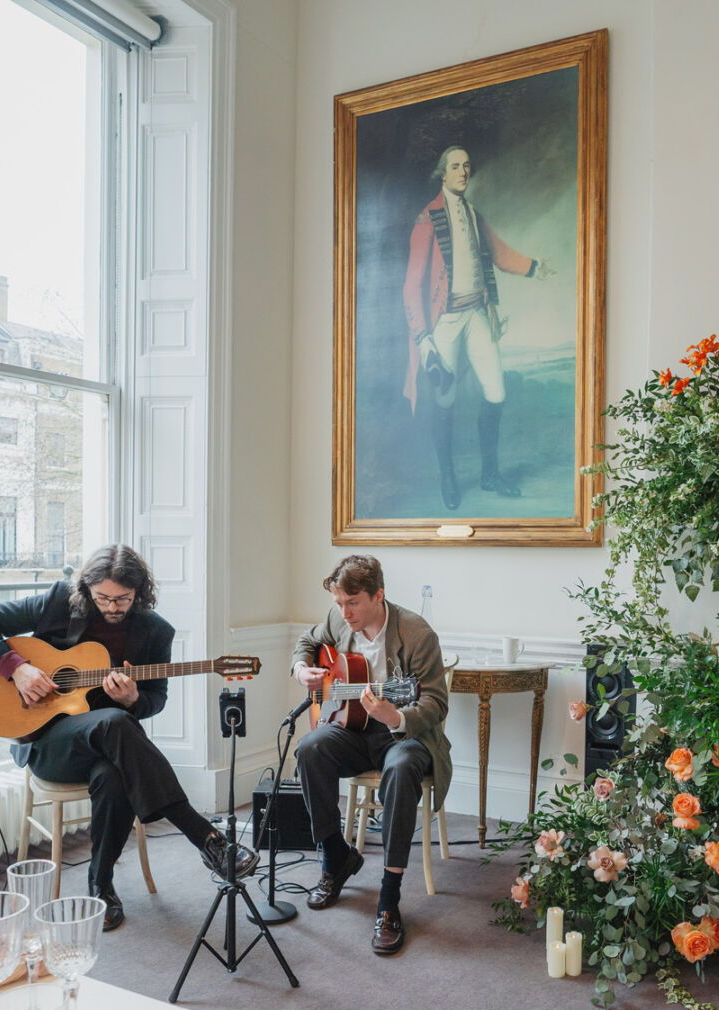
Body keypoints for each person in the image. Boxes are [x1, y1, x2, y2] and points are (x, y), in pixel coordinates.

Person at [0, 544, 255, 932]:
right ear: (87, 590)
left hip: (105, 746)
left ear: (140, 593)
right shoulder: (57, 602)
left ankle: (100, 885)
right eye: (103, 598)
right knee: (114, 722)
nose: (113, 607)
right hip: (47, 742)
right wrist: (18, 670)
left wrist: (133, 698)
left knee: (113, 771)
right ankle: (205, 837)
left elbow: (155, 700)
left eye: (123, 599)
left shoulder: (155, 631)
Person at [291, 555, 450, 955]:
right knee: (310, 748)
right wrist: (301, 668)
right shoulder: (338, 617)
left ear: (379, 595)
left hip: (405, 734)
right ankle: (335, 858)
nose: (344, 613)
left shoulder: (416, 633)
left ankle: (389, 898)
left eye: (353, 603)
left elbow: (435, 701)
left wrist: (396, 715)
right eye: (339, 603)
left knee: (399, 767)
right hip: (355, 727)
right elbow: (307, 641)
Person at [403, 145, 555, 510]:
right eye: (456, 167)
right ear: (443, 174)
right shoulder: (427, 220)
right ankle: (449, 478)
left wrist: (534, 267)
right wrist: (424, 339)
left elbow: (500, 254)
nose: (463, 172)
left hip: (476, 315)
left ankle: (490, 474)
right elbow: (412, 285)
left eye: (467, 166)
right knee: (445, 399)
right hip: (445, 321)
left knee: (496, 391)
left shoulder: (473, 214)